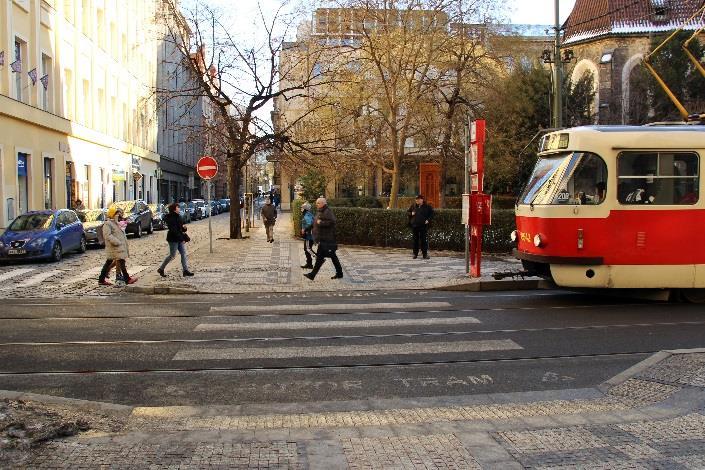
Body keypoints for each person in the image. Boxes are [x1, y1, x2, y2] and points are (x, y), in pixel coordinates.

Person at [304, 197, 343, 281]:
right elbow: (315, 222)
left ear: (323, 203)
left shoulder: (327, 211)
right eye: (316, 203)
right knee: (332, 257)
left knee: (321, 258)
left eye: (318, 203)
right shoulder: (320, 211)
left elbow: (332, 222)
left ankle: (312, 275)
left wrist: (321, 223)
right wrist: (307, 228)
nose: (316, 204)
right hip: (323, 239)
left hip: (327, 239)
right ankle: (339, 273)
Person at [98, 206, 137, 286]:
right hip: (114, 247)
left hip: (117, 247)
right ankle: (127, 279)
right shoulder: (108, 224)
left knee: (109, 262)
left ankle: (101, 279)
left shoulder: (115, 223)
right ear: (113, 214)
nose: (118, 215)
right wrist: (117, 242)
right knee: (121, 262)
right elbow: (107, 236)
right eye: (116, 213)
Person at [157, 203, 194, 277]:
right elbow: (174, 230)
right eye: (178, 207)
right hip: (173, 239)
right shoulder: (170, 218)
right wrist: (181, 239)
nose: (179, 208)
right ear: (174, 209)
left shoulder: (178, 216)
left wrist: (184, 228)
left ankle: (185, 270)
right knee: (172, 255)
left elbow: (181, 228)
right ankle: (161, 268)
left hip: (179, 238)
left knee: (183, 253)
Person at [407, 194, 434, 259]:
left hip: (423, 226)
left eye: (418, 199)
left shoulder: (427, 207)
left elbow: (432, 214)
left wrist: (428, 220)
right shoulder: (413, 206)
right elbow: (407, 212)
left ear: (422, 200)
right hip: (415, 225)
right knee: (415, 240)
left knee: (423, 240)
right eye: (416, 199)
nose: (417, 201)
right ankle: (415, 254)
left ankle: (425, 254)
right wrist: (411, 213)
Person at [300, 202, 315, 269]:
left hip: (309, 236)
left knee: (308, 249)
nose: (301, 209)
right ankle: (309, 264)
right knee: (306, 249)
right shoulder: (308, 214)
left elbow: (310, 225)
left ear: (305, 209)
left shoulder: (307, 216)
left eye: (302, 208)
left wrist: (304, 230)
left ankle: (319, 258)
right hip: (309, 235)